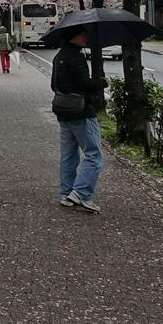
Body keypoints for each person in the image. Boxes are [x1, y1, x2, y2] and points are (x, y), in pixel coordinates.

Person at [52, 27, 108, 213]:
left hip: (63, 110)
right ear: (72, 37)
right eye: (82, 34)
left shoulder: (59, 56)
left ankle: (66, 193)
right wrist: (104, 82)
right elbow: (86, 84)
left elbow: (54, 85)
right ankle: (81, 193)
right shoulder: (76, 57)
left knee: (68, 154)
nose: (85, 36)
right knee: (94, 155)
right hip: (81, 112)